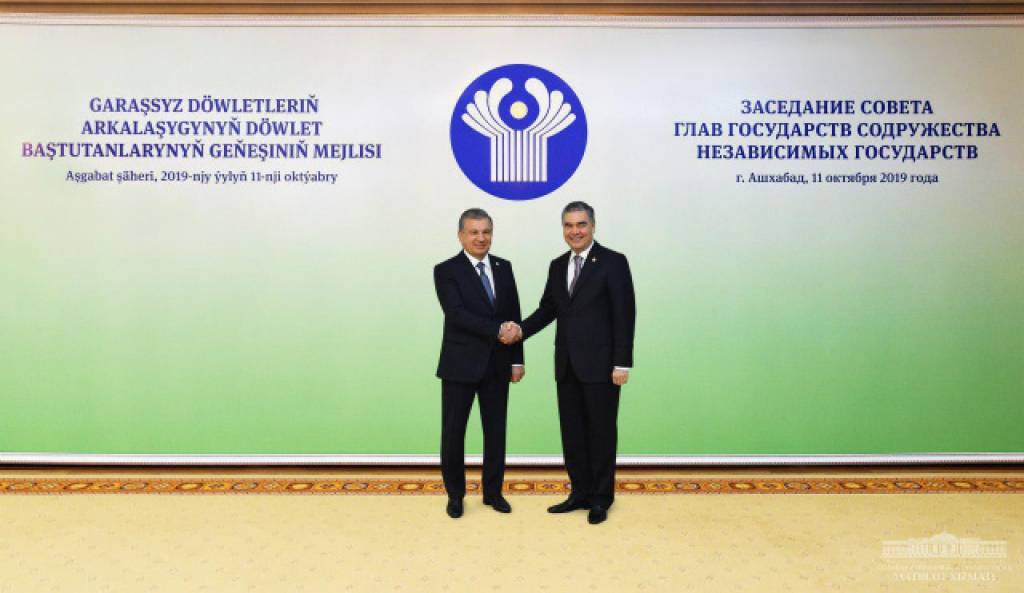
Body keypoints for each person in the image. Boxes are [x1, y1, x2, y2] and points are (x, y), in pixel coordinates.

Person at [502, 201, 635, 524]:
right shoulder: (557, 265)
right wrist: (520, 330)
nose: (575, 231)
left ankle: (601, 498)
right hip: (566, 365)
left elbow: (625, 313)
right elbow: (548, 309)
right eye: (569, 225)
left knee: (601, 433)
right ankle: (579, 493)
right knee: (572, 433)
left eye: (581, 224)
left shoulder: (613, 262)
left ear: (593, 226)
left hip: (602, 366)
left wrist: (622, 363)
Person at [434, 208, 525, 519]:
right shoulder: (446, 270)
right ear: (461, 235)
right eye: (473, 232)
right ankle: (455, 495)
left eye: (486, 231)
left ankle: (493, 493)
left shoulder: (504, 267)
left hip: (498, 365)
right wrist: (498, 330)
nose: (480, 238)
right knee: (453, 433)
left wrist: (517, 360)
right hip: (459, 365)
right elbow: (456, 313)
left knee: (496, 432)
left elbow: (514, 313)